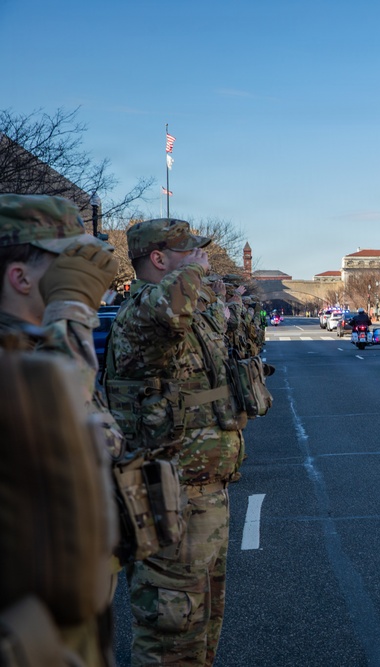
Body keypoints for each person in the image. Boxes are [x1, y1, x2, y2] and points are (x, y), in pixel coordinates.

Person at [105, 218, 246, 666]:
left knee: (202, 630)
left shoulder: (181, 305)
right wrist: (197, 273)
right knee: (171, 637)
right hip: (168, 500)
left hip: (204, 496)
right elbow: (174, 308)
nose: (202, 257)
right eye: (190, 251)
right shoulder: (145, 309)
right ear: (159, 259)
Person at [0, 194, 121, 666]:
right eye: (68, 259)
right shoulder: (32, 356)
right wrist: (70, 309)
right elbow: (52, 418)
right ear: (20, 276)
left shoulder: (35, 344)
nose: (85, 269)